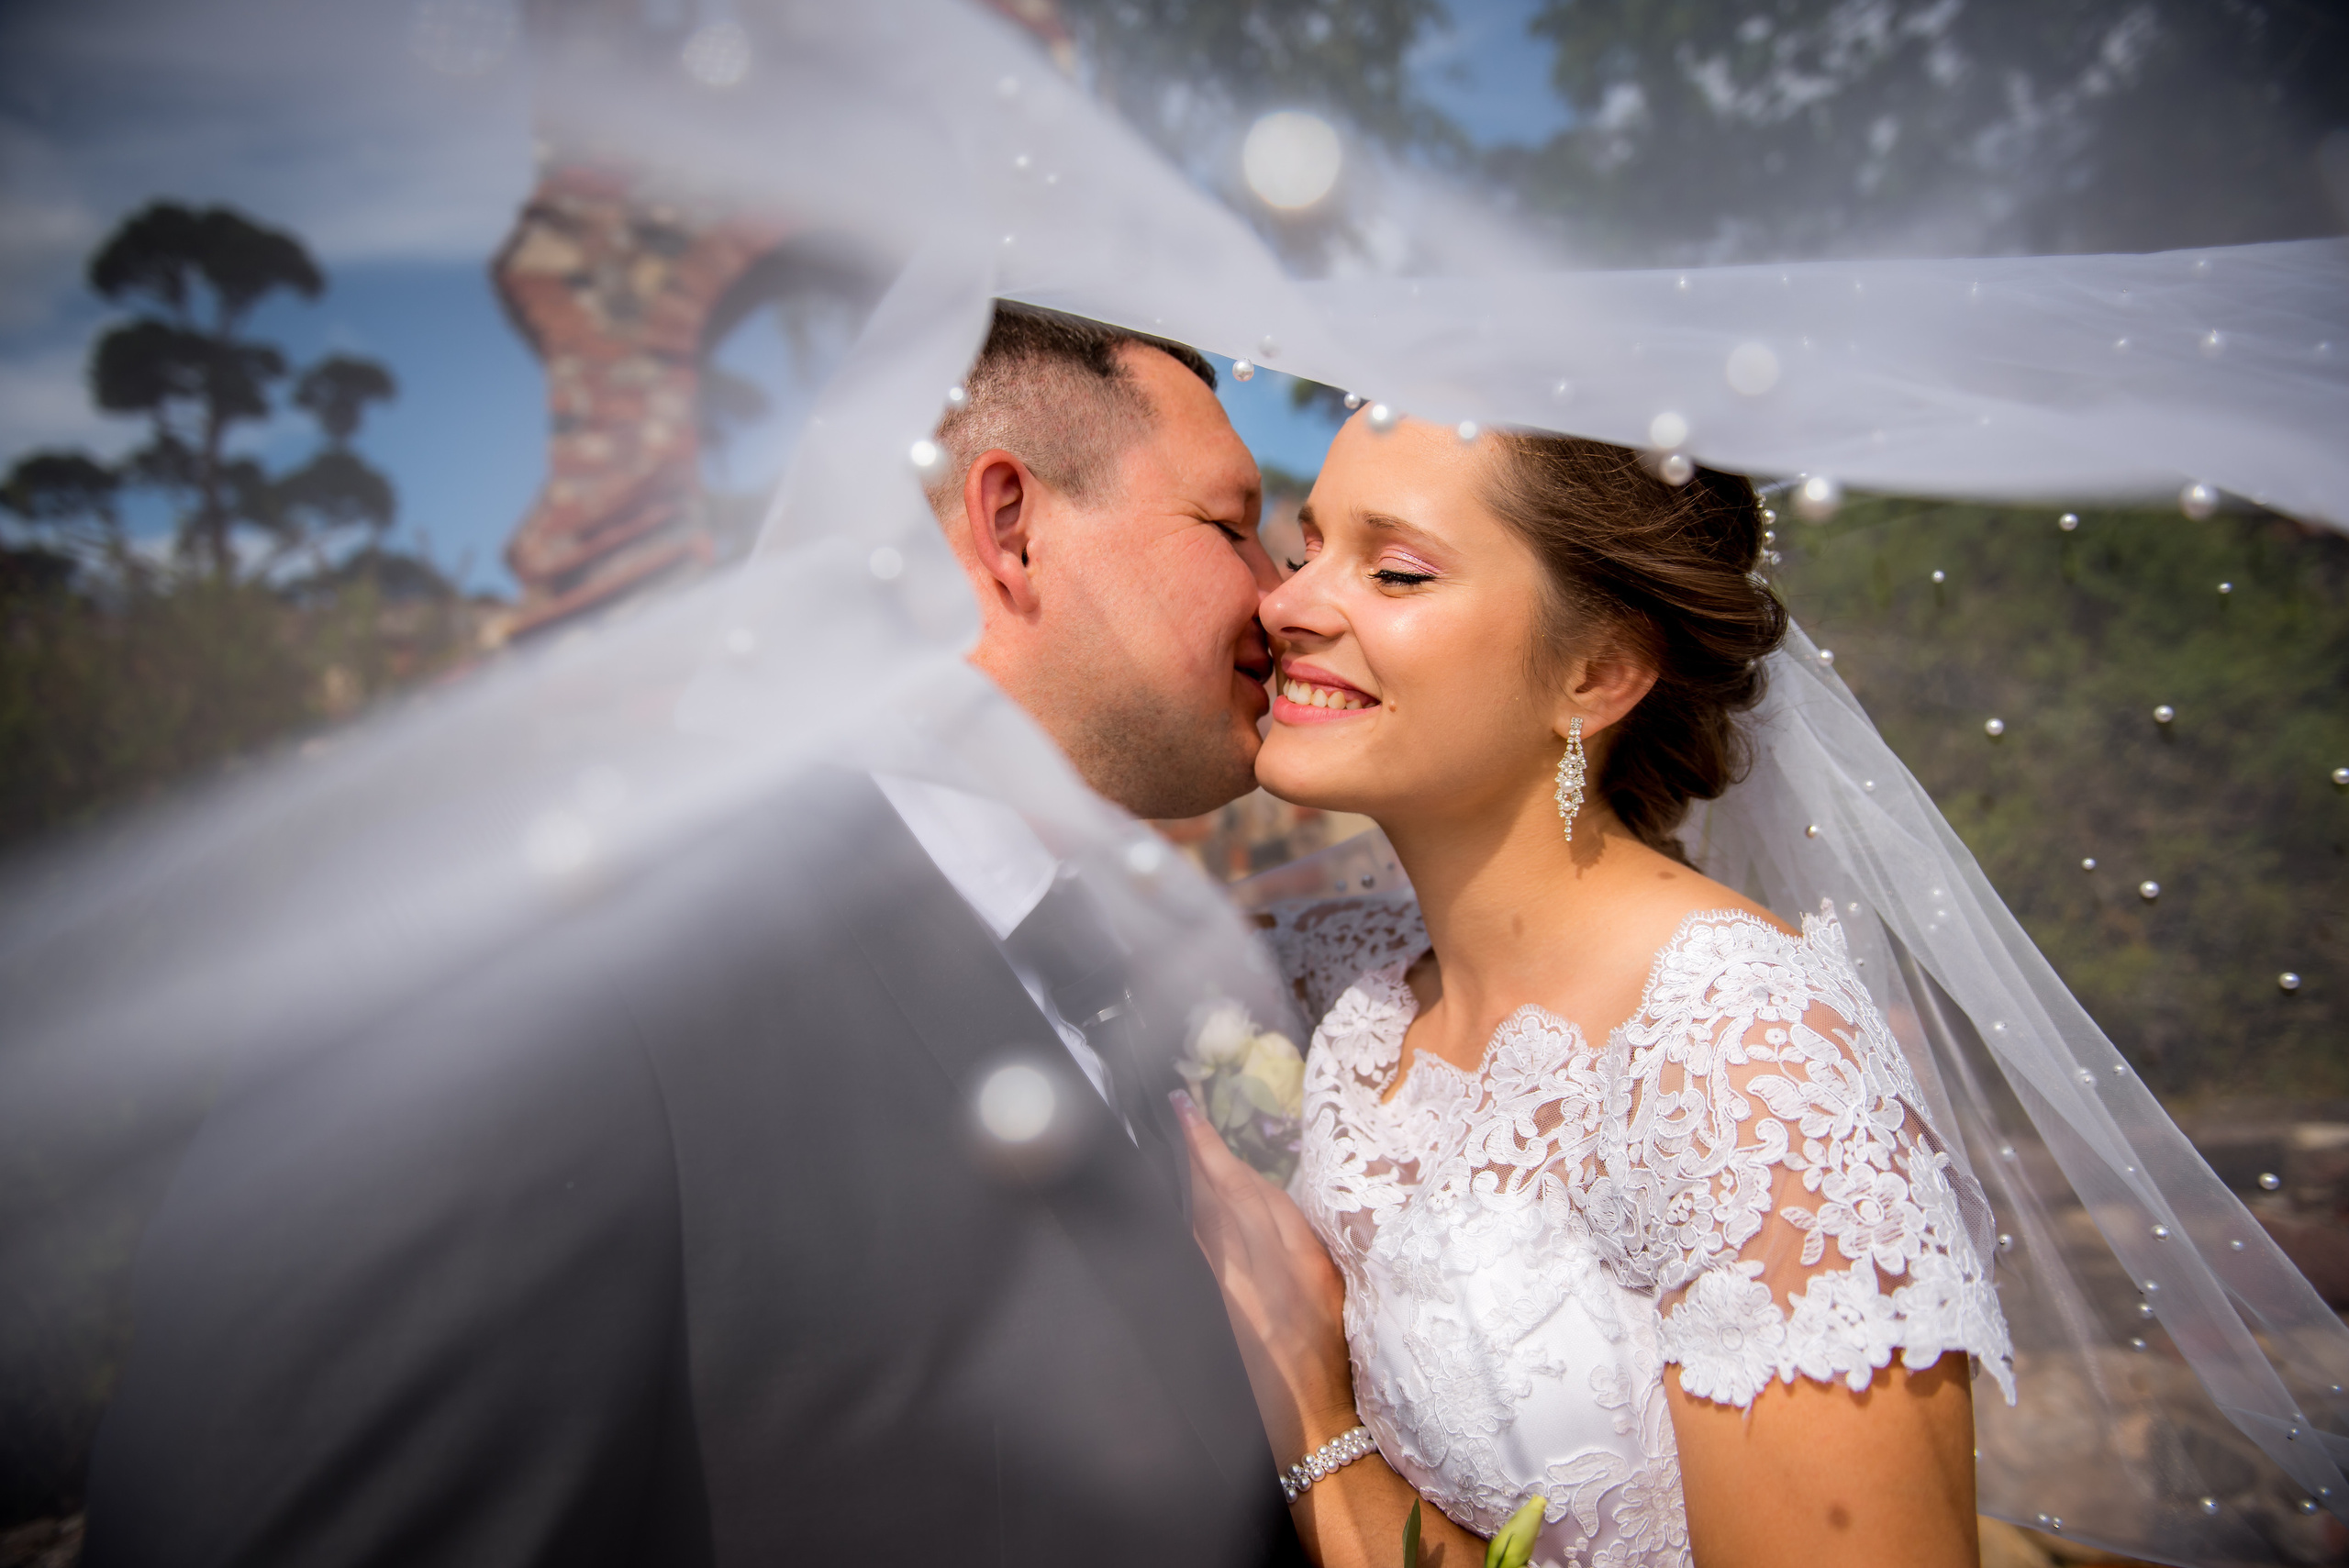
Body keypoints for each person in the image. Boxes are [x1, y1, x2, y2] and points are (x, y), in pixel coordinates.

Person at [80, 304, 1305, 1568]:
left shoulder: (1113, 954)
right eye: (1231, 527)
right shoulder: (549, 965)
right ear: (1009, 530)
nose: (1282, 594)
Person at [1177, 413, 2011, 1567]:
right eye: (1305, 543)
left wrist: (1315, 1415)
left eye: (1397, 569)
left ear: (1597, 672)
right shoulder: (1319, 980)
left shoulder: (1744, 1056)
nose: (1288, 602)